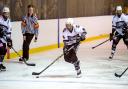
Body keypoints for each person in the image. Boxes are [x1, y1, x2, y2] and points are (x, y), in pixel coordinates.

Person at [0, 6, 12, 71]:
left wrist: (9, 40)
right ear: (3, 13)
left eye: (7, 13)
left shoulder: (8, 21)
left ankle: (0, 63)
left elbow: (9, 32)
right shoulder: (0, 19)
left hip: (3, 39)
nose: (6, 15)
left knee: (4, 50)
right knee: (1, 49)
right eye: (5, 13)